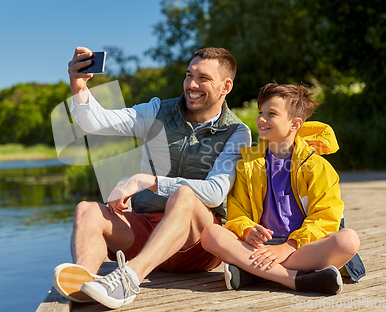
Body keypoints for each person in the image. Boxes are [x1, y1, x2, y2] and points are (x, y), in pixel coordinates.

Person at [52, 47, 251, 308]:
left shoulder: (236, 132)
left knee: (185, 197)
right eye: (189, 74)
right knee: (87, 210)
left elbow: (215, 193)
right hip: (147, 231)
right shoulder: (158, 111)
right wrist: (78, 86)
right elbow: (97, 123)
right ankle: (83, 284)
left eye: (203, 78)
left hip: (197, 246)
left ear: (226, 86)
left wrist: (148, 181)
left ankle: (129, 279)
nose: (192, 84)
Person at [200, 83, 365, 295]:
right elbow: (237, 212)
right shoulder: (247, 164)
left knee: (348, 240)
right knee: (210, 234)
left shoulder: (317, 166)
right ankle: (292, 279)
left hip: (302, 247)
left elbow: (326, 218)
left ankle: (254, 272)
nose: (261, 119)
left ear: (295, 124)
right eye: (261, 113)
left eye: (271, 114)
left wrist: (289, 246)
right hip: (260, 247)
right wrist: (247, 229)